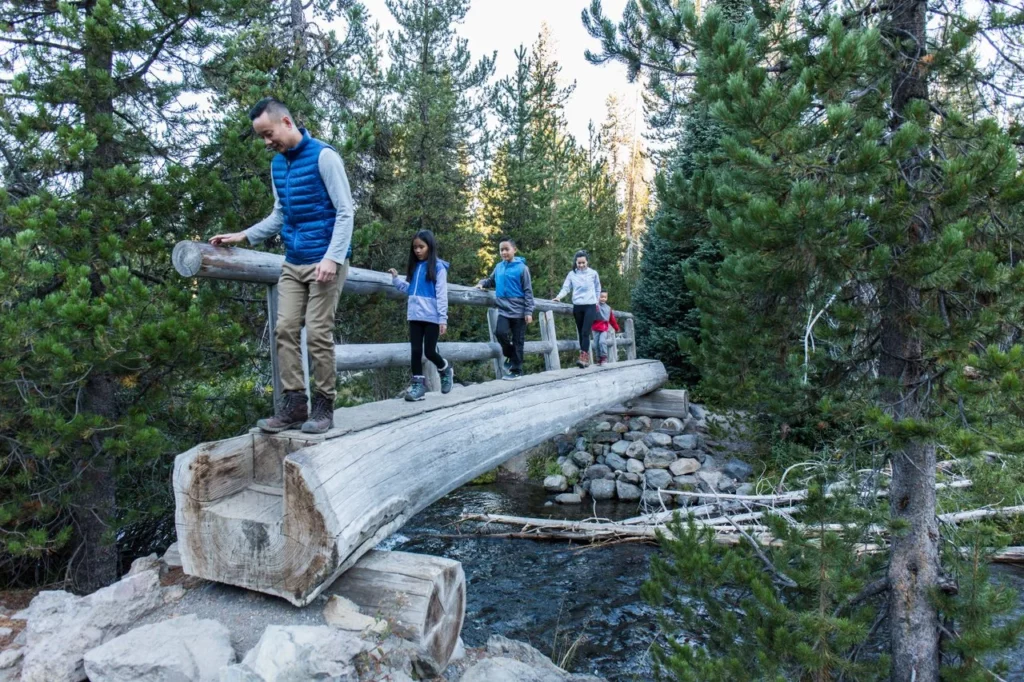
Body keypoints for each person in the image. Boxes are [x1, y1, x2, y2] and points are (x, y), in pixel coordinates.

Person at [209, 98, 353, 434]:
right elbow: (279, 216)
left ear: (286, 122)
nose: (266, 142)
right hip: (294, 261)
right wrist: (244, 236)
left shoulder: (324, 156)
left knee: (318, 333)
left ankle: (324, 405)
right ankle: (294, 405)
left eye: (268, 133)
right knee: (284, 328)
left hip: (326, 260)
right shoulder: (278, 165)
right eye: (261, 136)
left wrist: (332, 257)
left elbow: (346, 212)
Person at [388, 230, 454, 401]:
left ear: (429, 247)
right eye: (415, 247)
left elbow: (441, 294)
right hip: (415, 315)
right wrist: (396, 280)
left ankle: (445, 369)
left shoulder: (438, 267)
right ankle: (418, 385)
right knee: (415, 351)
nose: (418, 250)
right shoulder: (415, 267)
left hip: (432, 317)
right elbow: (410, 289)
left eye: (421, 247)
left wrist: (442, 318)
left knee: (430, 351)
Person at [476, 238, 534, 380]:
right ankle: (511, 356)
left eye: (506, 249)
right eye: (501, 249)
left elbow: (528, 291)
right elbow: (491, 281)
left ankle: (516, 370)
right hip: (503, 310)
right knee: (500, 333)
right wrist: (482, 283)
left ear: (514, 250)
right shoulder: (499, 267)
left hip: (519, 312)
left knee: (518, 340)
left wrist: (528, 311)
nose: (503, 252)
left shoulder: (522, 268)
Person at [553, 250, 602, 368]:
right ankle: (585, 358)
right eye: (579, 263)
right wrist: (559, 297)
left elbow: (597, 288)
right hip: (578, 306)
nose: (581, 265)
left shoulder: (593, 273)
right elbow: (566, 288)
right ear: (576, 262)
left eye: (583, 263)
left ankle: (583, 356)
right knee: (581, 332)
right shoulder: (572, 274)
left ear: (587, 262)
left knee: (585, 331)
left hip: (590, 305)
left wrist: (597, 301)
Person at [591, 290, 621, 366]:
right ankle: (598, 359)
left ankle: (604, 357)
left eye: (605, 297)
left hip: (603, 328)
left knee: (602, 342)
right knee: (596, 344)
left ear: (607, 298)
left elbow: (612, 319)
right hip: (595, 328)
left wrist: (616, 328)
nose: (603, 298)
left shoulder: (608, 308)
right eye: (601, 297)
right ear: (598, 297)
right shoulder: (595, 305)